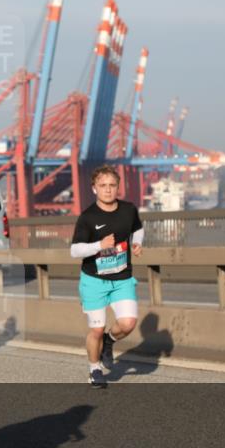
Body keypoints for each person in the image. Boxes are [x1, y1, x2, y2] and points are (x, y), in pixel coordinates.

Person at [70, 166, 144, 389]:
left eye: (112, 185)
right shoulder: (88, 217)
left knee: (128, 323)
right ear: (94, 189)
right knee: (96, 329)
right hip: (94, 280)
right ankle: (95, 369)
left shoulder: (129, 210)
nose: (108, 190)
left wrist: (138, 242)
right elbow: (75, 251)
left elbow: (138, 228)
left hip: (122, 278)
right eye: (103, 186)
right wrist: (99, 246)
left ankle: (110, 342)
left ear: (118, 187)